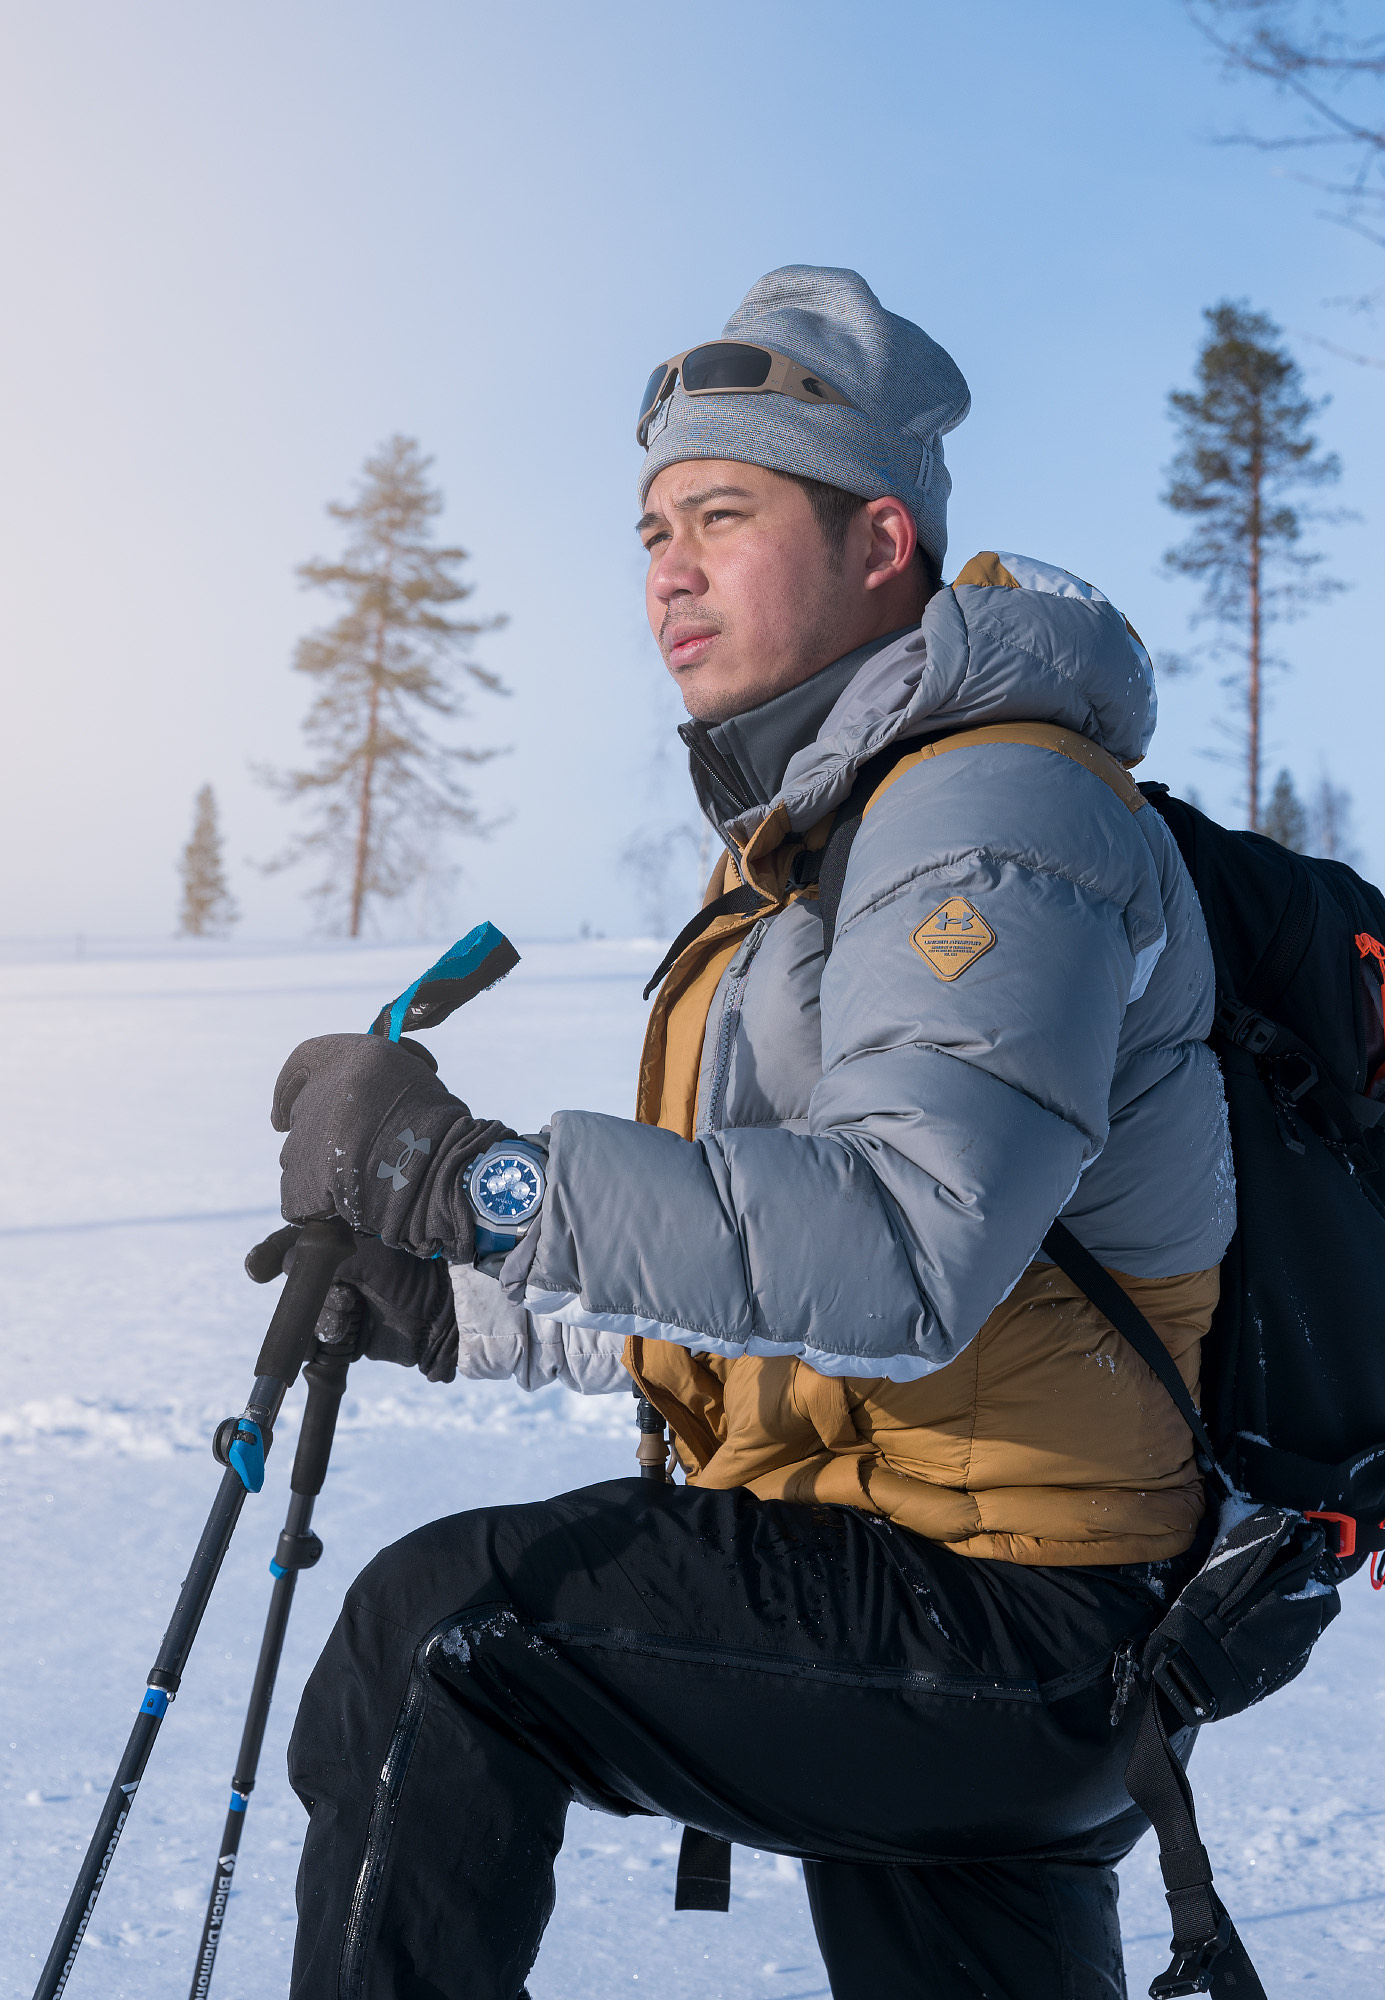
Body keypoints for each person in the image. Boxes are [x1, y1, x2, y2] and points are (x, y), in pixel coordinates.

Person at [269, 264, 1235, 2000]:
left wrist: (474, 1182)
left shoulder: (990, 805)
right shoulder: (826, 837)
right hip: (954, 1566)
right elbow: (772, 1257)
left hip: (1005, 1596)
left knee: (442, 1635)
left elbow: (902, 1249)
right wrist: (472, 1299)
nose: (670, 569)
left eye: (723, 513)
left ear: (883, 543)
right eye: (652, 529)